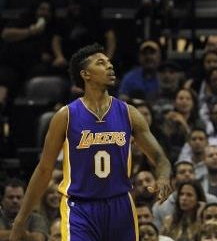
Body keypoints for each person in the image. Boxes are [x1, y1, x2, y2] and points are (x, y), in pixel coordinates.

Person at [9, 43, 173, 241]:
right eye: (101, 63)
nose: (110, 66)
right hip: (80, 208)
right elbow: (44, 169)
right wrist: (20, 220)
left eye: (110, 63)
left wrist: (163, 176)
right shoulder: (66, 116)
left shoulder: (129, 113)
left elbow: (159, 156)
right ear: (86, 74)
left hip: (120, 205)